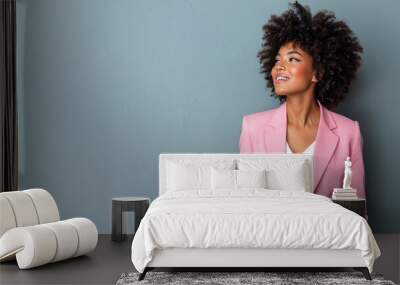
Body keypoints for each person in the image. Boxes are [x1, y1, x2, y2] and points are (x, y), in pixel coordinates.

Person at [239, 1, 366, 199]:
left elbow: (357, 209)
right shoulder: (252, 128)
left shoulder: (349, 132)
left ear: (317, 73)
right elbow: (245, 201)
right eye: (277, 60)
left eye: (293, 59)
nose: (279, 67)